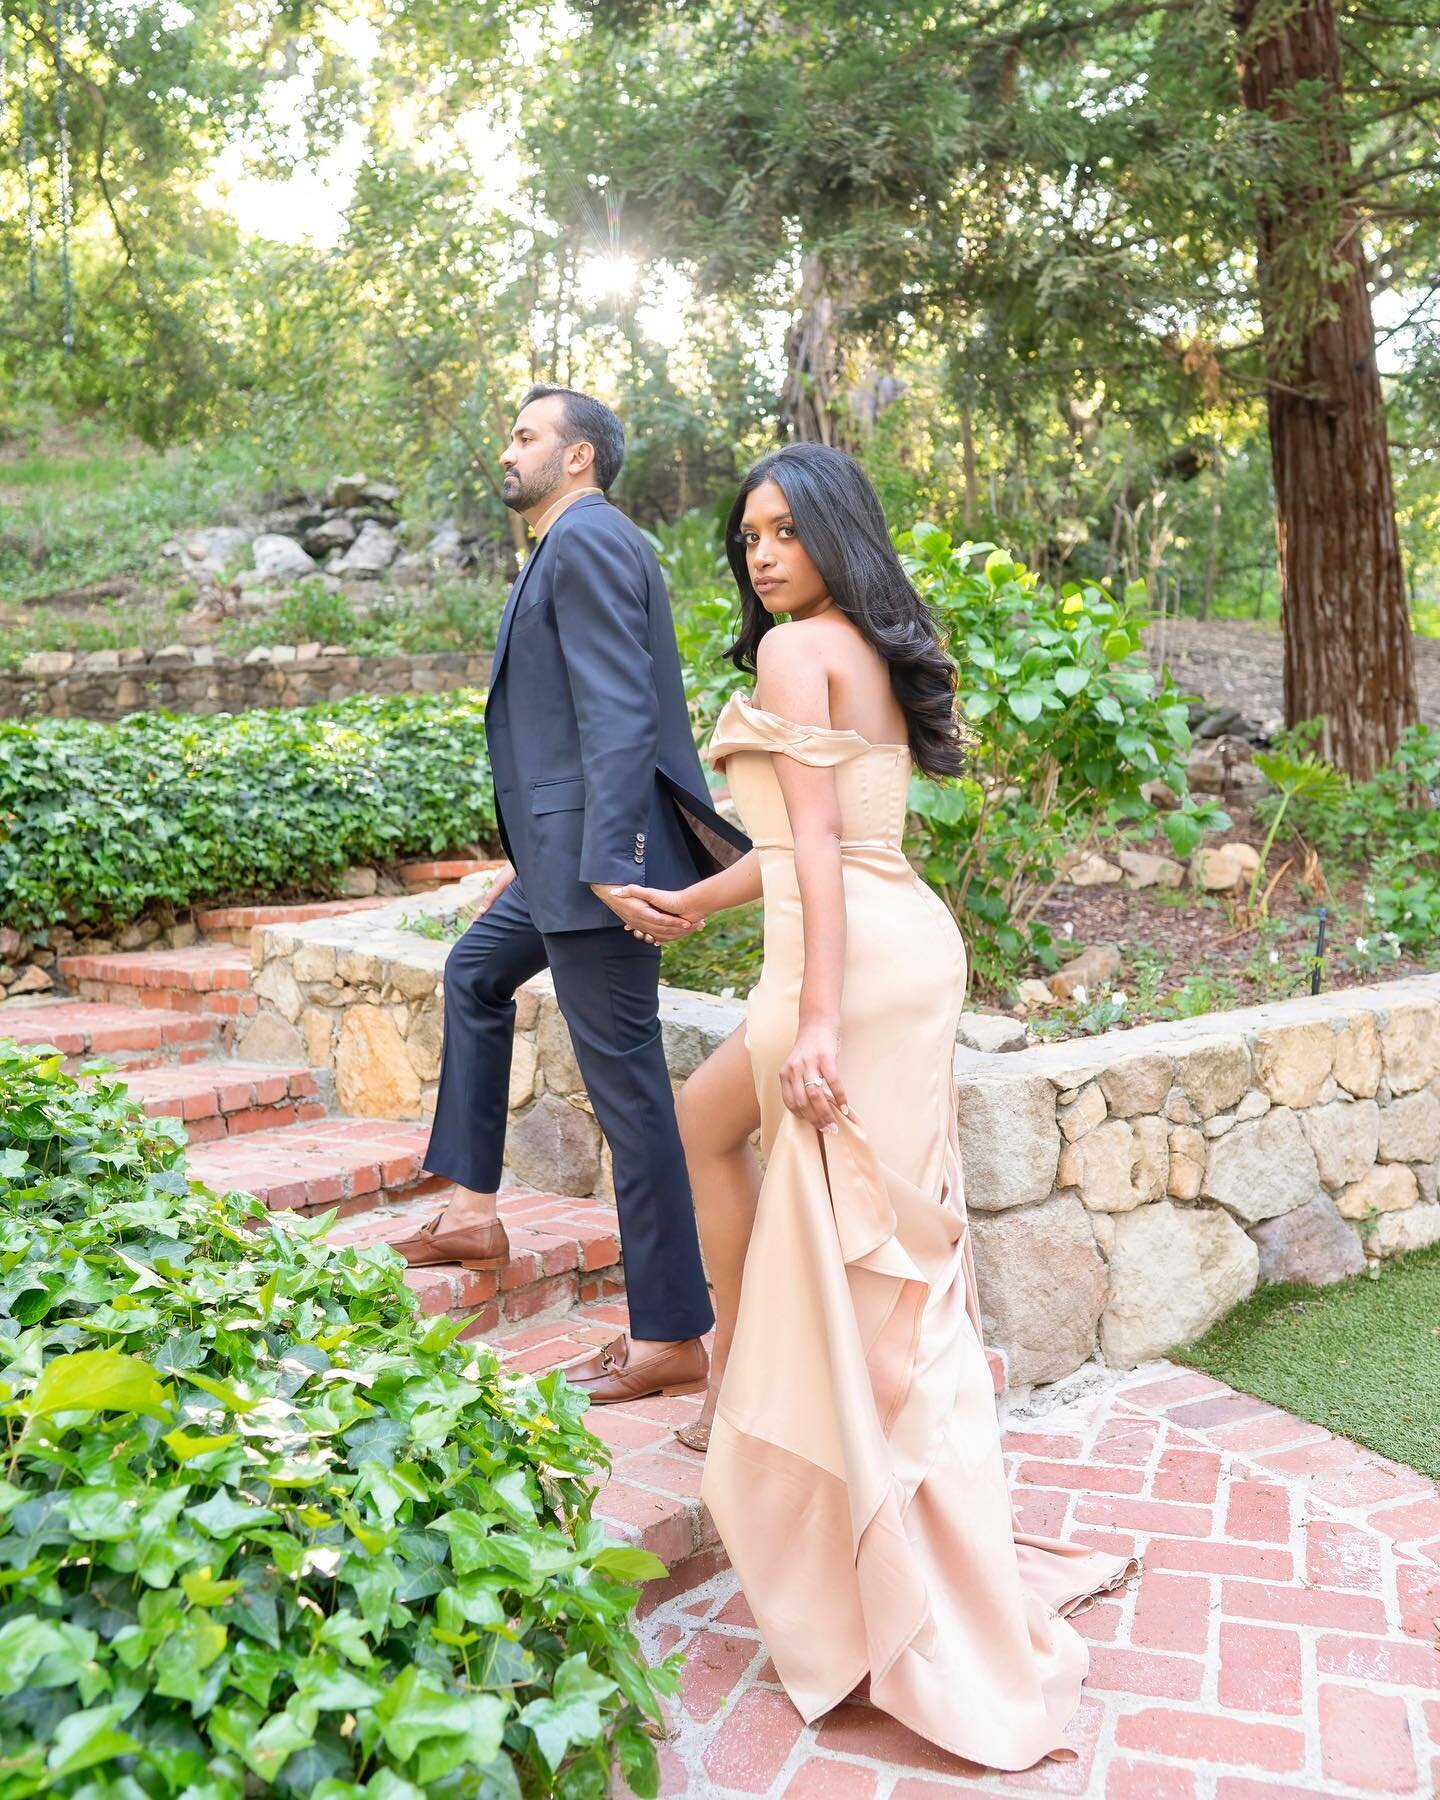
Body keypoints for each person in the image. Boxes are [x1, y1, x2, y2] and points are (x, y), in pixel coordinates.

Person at [613, 443, 1139, 1771]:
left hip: (847, 975)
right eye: (748, 536)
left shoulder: (796, 655)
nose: (763, 554)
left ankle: (883, 1559)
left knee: (881, 1283)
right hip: (883, 950)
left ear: (835, 536)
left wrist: (825, 1021)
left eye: (786, 531)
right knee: (728, 1146)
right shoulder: (845, 644)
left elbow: (829, 869)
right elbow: (814, 845)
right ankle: (746, 1376)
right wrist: (695, 904)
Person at [393, 385, 750, 1406]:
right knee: (474, 971)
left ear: (580, 456)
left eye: (526, 436)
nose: (507, 450)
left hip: (597, 869)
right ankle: (468, 1208)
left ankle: (674, 1335)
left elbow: (619, 711)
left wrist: (605, 859)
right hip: (562, 862)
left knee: (630, 1096)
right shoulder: (568, 543)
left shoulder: (589, 540)